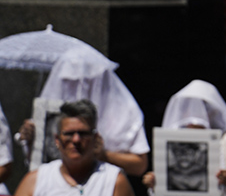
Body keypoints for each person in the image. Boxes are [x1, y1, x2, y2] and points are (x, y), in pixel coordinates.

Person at [21, 46, 149, 176]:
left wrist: (103, 155)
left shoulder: (125, 111)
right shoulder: (51, 112)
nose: (79, 88)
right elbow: (39, 159)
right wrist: (32, 140)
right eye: (70, 81)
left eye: (89, 81)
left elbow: (139, 165)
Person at [144, 80, 226, 196]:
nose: (194, 114)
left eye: (201, 107)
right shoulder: (173, 145)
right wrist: (154, 184)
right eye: (187, 108)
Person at [15, 99, 134, 196]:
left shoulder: (115, 183)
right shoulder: (35, 181)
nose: (76, 140)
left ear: (95, 138)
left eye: (83, 133)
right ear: (57, 140)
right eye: (69, 134)